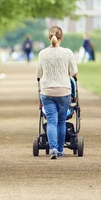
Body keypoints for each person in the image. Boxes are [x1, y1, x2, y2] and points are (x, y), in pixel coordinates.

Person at [37, 26, 78, 159]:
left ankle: (53, 148)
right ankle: (60, 150)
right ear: (62, 38)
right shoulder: (68, 53)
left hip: (47, 92)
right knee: (61, 121)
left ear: (49, 38)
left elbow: (39, 73)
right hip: (64, 92)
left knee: (51, 121)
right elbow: (74, 73)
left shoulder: (42, 53)